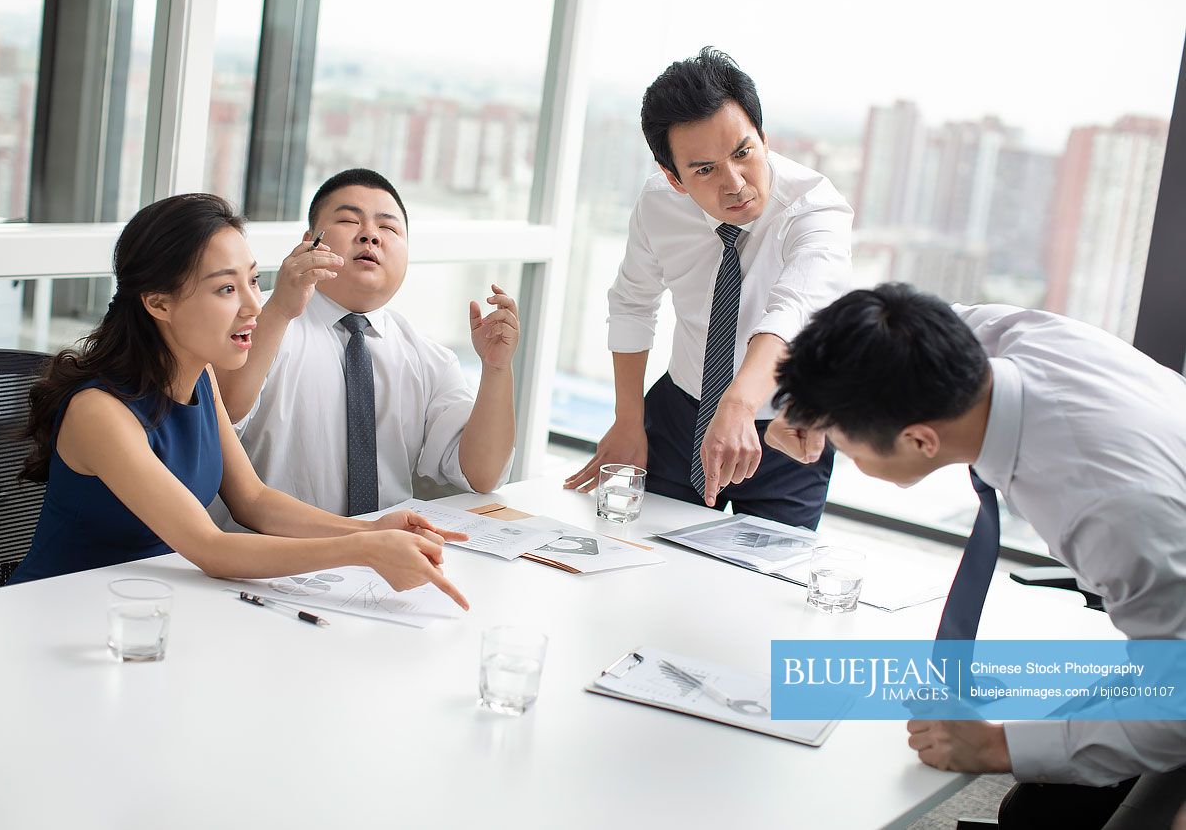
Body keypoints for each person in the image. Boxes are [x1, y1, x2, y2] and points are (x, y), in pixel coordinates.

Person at [767, 283, 1186, 830]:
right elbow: (879, 332)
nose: (832, 446)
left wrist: (995, 747)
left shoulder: (1105, 509)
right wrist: (804, 403)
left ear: (920, 441)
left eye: (841, 442)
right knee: (1044, 803)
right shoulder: (1000, 339)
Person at [10, 193, 469, 612]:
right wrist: (363, 550)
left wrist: (373, 530)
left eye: (253, 280)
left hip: (150, 605)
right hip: (61, 614)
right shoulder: (99, 412)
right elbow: (211, 547)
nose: (253, 305)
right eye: (226, 289)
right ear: (158, 303)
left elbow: (254, 501)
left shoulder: (202, 378)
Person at [563, 47, 852, 530]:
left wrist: (738, 404)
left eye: (743, 153)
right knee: (643, 558)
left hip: (787, 429)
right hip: (679, 416)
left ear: (762, 137)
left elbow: (792, 312)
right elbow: (632, 303)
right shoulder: (658, 206)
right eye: (705, 170)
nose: (735, 183)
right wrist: (628, 420)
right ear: (673, 178)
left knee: (765, 586)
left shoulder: (817, 211)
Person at [214, 168, 518, 519]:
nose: (370, 235)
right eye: (348, 220)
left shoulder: (428, 358)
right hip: (263, 556)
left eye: (388, 228)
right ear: (310, 240)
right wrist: (281, 308)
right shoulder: (256, 319)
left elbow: (482, 475)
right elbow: (225, 411)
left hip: (383, 560)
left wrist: (497, 369)